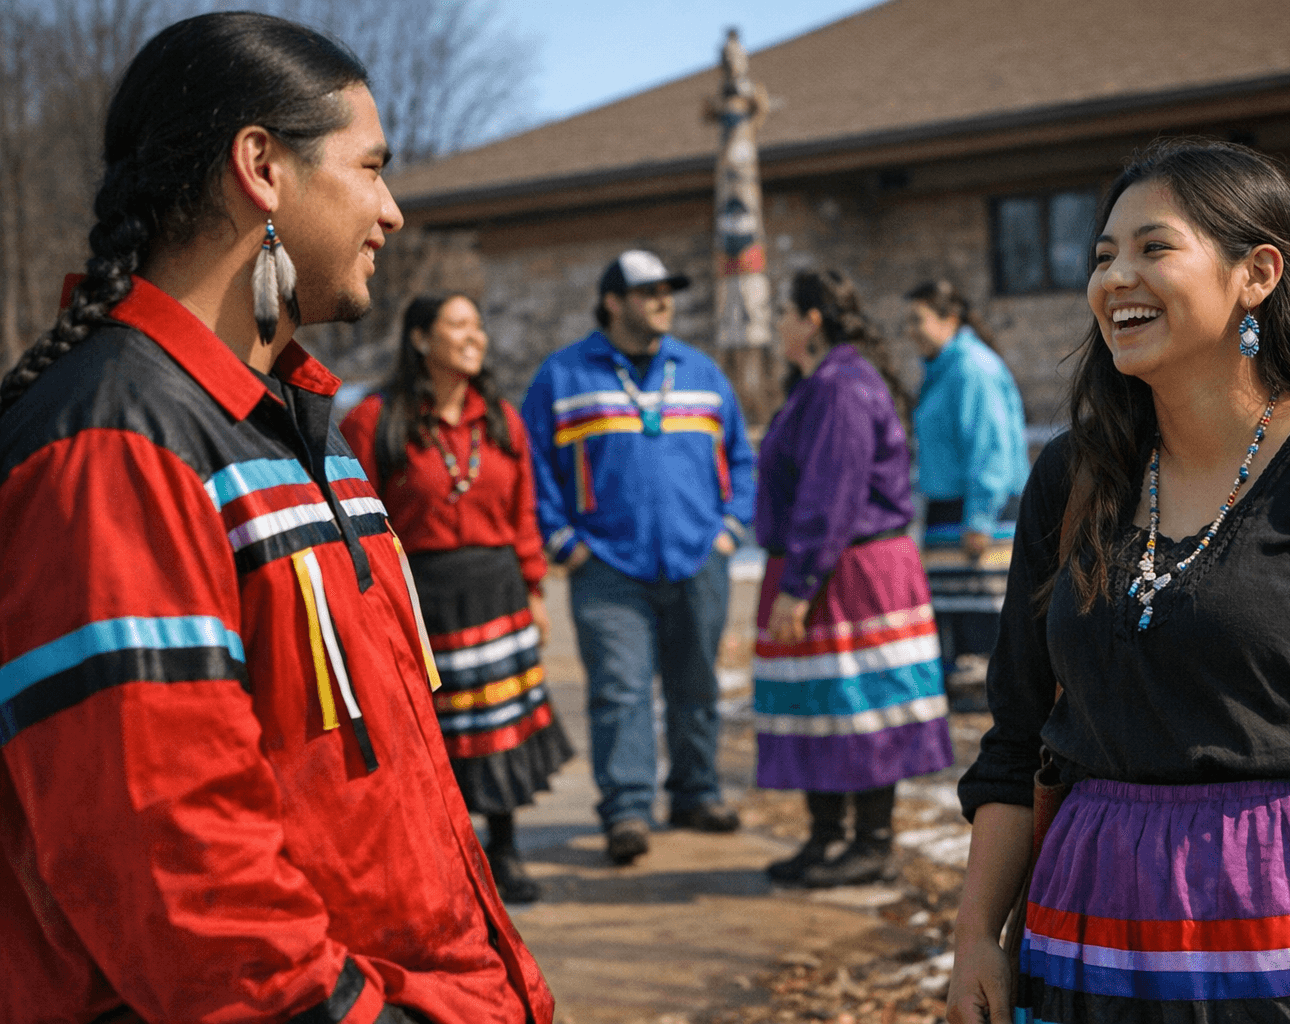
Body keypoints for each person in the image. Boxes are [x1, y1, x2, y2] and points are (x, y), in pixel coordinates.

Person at [0, 14, 552, 1023]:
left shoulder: (299, 423)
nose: (390, 211)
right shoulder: (116, 446)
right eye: (370, 168)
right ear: (261, 167)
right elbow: (174, 868)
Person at [948, 139, 1290, 1024]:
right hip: (1090, 937)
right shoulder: (1073, 476)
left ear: (1257, 274)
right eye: (1103, 256)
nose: (1115, 279)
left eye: (1153, 248)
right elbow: (1019, 734)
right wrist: (977, 933)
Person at [521, 249, 756, 865]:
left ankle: (696, 793)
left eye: (667, 291)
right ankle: (627, 808)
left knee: (696, 683)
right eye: (649, 291)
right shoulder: (563, 376)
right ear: (612, 302)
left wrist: (731, 529)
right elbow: (531, 467)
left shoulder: (701, 371)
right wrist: (564, 542)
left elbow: (741, 458)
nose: (663, 301)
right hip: (606, 568)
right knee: (620, 690)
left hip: (697, 559)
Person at [341, 292, 574, 905]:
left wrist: (535, 589)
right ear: (421, 338)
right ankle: (444, 861)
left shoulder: (501, 419)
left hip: (497, 593)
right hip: (422, 598)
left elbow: (523, 512)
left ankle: (506, 850)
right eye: (459, 325)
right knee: (433, 732)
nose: (476, 337)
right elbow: (355, 522)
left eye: (479, 325)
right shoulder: (375, 420)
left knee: (497, 725)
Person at [754, 269, 953, 887]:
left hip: (849, 569)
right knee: (820, 703)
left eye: (784, 312)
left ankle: (872, 841)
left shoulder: (840, 388)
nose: (778, 325)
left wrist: (798, 585)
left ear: (811, 319)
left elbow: (830, 492)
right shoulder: (818, 384)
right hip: (830, 565)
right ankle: (825, 837)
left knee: (860, 704)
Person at [905, 280, 1029, 703]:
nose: (911, 331)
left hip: (977, 514)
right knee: (957, 617)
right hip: (947, 512)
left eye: (919, 320)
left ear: (949, 320)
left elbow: (990, 446)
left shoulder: (972, 369)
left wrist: (979, 518)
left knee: (983, 615)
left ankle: (996, 704)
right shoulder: (942, 371)